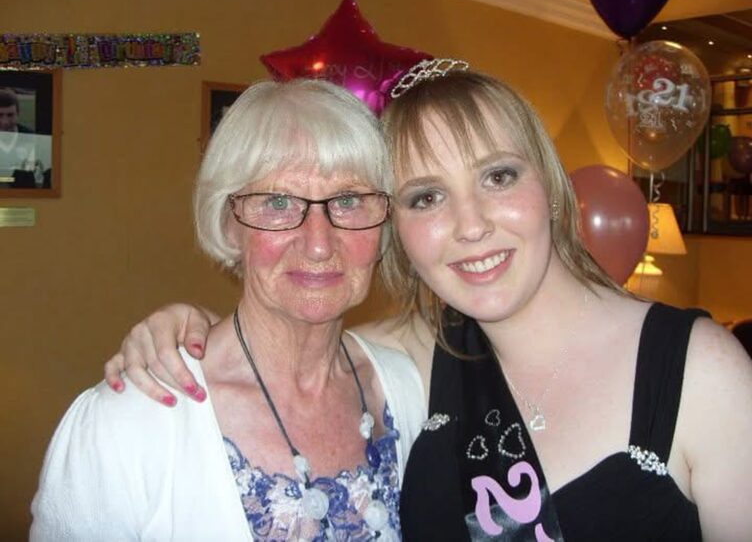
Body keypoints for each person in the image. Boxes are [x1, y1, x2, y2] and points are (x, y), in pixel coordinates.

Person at [103, 63, 752, 540]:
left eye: (498, 177)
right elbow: (286, 345)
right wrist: (181, 330)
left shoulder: (703, 374)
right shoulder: (409, 360)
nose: (471, 226)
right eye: (426, 197)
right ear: (396, 232)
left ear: (550, 187)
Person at [31, 79, 425, 541]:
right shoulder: (124, 425)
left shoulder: (404, 389)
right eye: (278, 201)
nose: (319, 244)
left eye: (348, 200)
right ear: (228, 223)